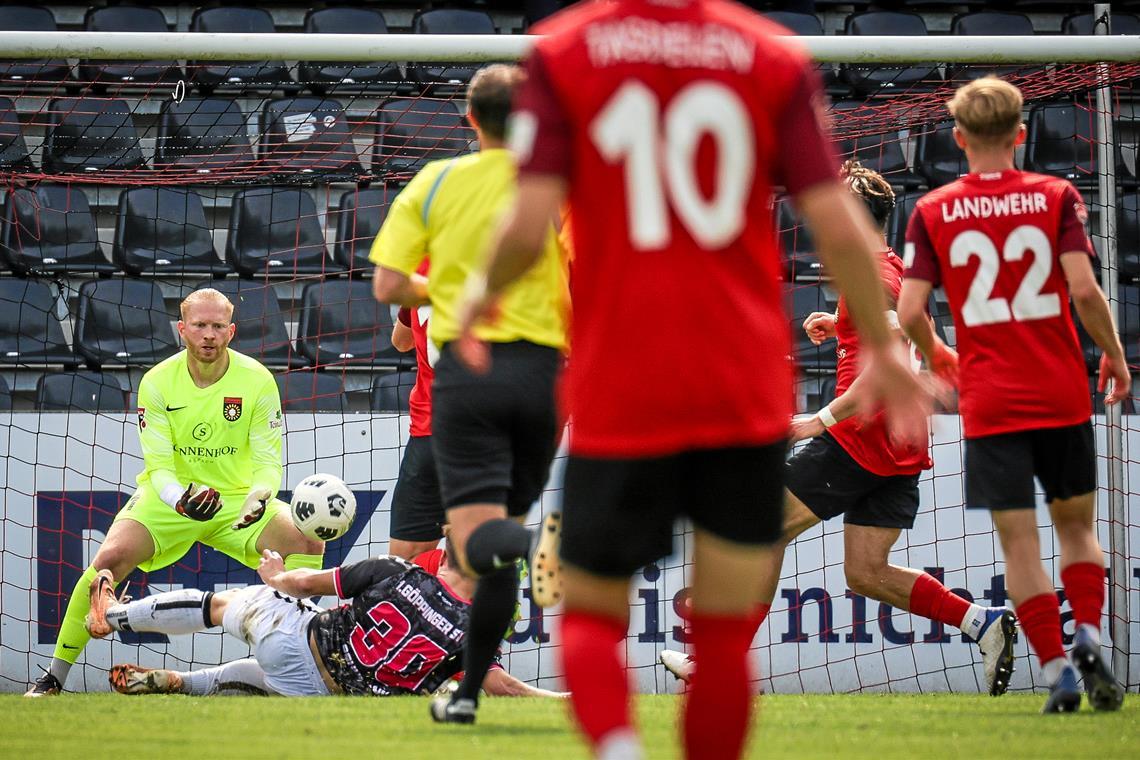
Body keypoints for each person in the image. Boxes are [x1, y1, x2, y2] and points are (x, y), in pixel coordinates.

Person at [455, 4, 932, 757]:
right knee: (720, 629)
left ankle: (617, 746)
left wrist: (479, 298)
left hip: (623, 378)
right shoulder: (766, 53)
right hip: (739, 382)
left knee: (588, 611)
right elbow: (840, 224)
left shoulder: (569, 49)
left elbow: (529, 218)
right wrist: (883, 344)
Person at [658, 161, 1016, 695]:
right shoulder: (890, 268)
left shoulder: (872, 274)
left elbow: (882, 372)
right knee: (866, 572)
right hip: (899, 443)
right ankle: (981, 623)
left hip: (860, 435)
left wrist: (814, 421)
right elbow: (917, 335)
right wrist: (846, 329)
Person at [897, 77, 1130, 714]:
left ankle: (1055, 669)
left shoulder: (932, 209)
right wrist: (1112, 351)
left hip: (991, 401)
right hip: (1057, 392)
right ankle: (1085, 632)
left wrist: (942, 354)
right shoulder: (1055, 195)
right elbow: (1084, 291)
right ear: (1021, 134)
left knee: (1019, 544)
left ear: (959, 138)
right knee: (1078, 530)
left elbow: (909, 307)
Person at [370, 63, 568, 725]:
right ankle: (467, 691)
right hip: (545, 378)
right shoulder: (559, 189)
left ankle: (471, 685)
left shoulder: (436, 182)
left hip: (467, 378)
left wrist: (443, 291)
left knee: (480, 544)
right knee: (498, 543)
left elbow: (388, 286)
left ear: (470, 120)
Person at [26, 288, 325, 697]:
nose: (208, 335)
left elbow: (268, 461)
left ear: (231, 331)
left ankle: (300, 656)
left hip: (237, 499)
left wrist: (261, 495)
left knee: (306, 536)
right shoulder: (158, 381)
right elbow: (159, 467)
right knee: (108, 560)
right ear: (182, 329)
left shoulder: (257, 379)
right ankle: (53, 678)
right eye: (199, 325)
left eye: (218, 326)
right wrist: (180, 499)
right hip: (169, 498)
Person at [96, 542, 564, 699]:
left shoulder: (395, 571)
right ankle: (181, 682)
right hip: (327, 692)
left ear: (448, 565)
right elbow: (501, 686)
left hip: (297, 639)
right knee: (260, 678)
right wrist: (559, 697)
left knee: (221, 605)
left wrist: (277, 576)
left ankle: (114, 617)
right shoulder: (471, 631)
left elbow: (305, 586)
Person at [388, 261, 445, 561]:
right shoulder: (516, 258)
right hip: (489, 433)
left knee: (404, 564)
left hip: (431, 434)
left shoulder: (424, 265)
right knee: (483, 557)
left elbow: (400, 341)